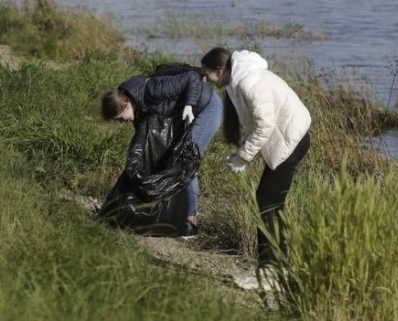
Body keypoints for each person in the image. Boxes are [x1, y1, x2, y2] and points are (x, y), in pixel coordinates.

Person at [201, 47, 312, 279]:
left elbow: (265, 125)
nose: (207, 79)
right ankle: (280, 267)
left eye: (208, 74)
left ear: (220, 70)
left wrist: (243, 156)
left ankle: (270, 272)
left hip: (291, 140)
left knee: (266, 203)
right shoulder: (239, 79)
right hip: (289, 138)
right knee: (271, 204)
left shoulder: (248, 83)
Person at [101, 66, 223, 237]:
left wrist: (189, 105)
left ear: (126, 105)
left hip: (206, 107)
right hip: (183, 116)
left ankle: (189, 220)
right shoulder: (137, 107)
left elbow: (191, 78)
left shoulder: (152, 90)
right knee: (172, 158)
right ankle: (175, 215)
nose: (122, 122)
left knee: (185, 160)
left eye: (120, 118)